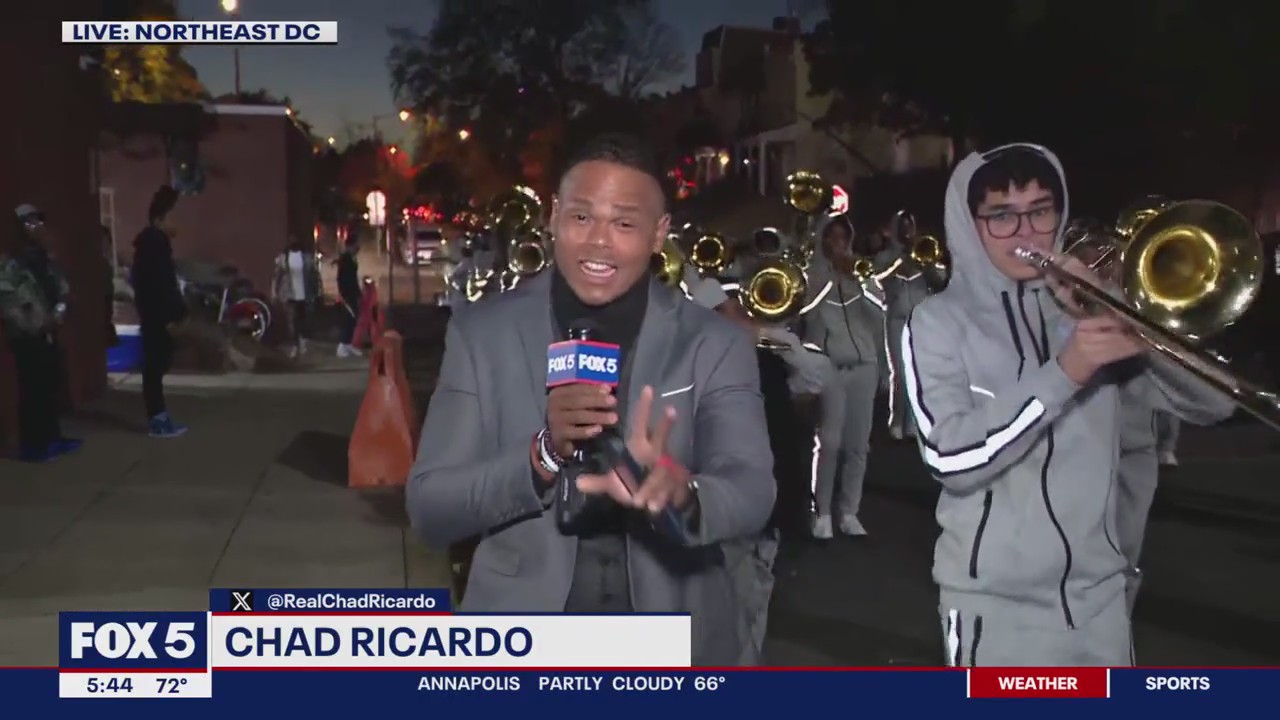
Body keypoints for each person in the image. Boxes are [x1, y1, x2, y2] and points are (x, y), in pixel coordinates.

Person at [406, 133, 776, 665]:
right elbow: (430, 508)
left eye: (624, 223)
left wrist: (684, 494)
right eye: (582, 218)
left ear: (659, 234)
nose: (599, 242)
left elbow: (753, 489)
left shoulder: (712, 342)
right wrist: (542, 456)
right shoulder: (481, 333)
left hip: (675, 642)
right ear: (554, 217)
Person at [901, 143, 1235, 667]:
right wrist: (1066, 371)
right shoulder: (936, 321)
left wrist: (1127, 317)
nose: (1027, 233)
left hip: (1102, 599)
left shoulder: (1087, 307)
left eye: (1040, 211)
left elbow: (1216, 403)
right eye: (1002, 217)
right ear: (970, 224)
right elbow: (951, 459)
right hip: (995, 607)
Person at [681, 262, 832, 664]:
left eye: (732, 310)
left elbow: (817, 376)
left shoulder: (769, 350)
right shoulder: (690, 363)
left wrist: (763, 335)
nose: (735, 317)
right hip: (710, 503)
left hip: (763, 503)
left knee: (751, 603)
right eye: (723, 313)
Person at [801, 214, 887, 539]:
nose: (837, 243)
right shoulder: (814, 275)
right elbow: (807, 312)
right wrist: (829, 275)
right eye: (831, 236)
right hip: (831, 365)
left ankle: (849, 511)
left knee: (858, 445)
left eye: (842, 237)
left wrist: (861, 281)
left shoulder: (861, 272)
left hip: (864, 364)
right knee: (829, 443)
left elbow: (879, 313)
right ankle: (821, 512)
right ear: (823, 240)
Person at [0, 204, 80, 461]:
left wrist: (58, 312)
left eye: (38, 222)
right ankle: (33, 445)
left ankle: (52, 437)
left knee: (50, 385)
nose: (36, 228)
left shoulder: (47, 259)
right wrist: (34, 324)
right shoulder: (9, 265)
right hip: (27, 336)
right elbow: (9, 303)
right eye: (29, 223)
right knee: (32, 390)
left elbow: (62, 287)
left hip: (50, 331)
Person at [131, 185, 188, 439]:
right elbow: (157, 286)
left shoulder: (157, 244)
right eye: (174, 215)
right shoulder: (153, 246)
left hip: (159, 317)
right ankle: (157, 420)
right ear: (159, 219)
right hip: (157, 319)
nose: (179, 221)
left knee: (157, 366)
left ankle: (159, 416)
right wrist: (168, 318)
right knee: (154, 367)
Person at [881, 211, 934, 440]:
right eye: (901, 227)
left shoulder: (924, 251)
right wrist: (897, 263)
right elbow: (878, 279)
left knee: (919, 373)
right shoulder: (886, 256)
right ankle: (897, 420)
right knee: (900, 373)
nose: (905, 231)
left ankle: (914, 422)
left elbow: (939, 282)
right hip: (896, 319)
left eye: (908, 226)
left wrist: (927, 264)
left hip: (920, 321)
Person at [272, 236, 320, 358]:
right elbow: (277, 276)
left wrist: (317, 290)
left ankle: (302, 342)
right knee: (292, 320)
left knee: (303, 319)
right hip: (289, 293)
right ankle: (295, 345)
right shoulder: (283, 259)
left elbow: (314, 275)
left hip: (305, 293)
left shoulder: (307, 258)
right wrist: (275, 291)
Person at [335, 239, 362, 358]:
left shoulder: (351, 258)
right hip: (347, 294)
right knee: (348, 318)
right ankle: (342, 345)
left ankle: (348, 344)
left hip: (352, 293)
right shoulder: (345, 260)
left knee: (353, 318)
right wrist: (343, 294)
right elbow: (342, 279)